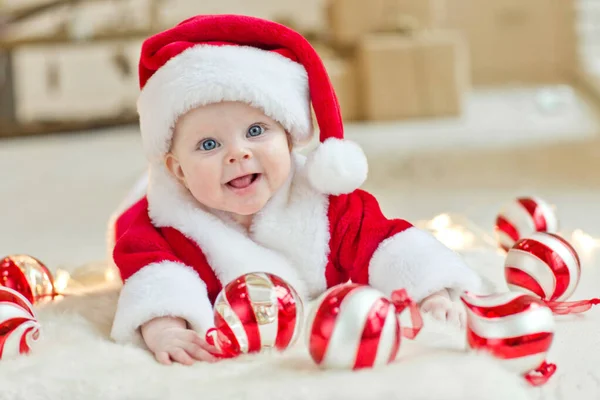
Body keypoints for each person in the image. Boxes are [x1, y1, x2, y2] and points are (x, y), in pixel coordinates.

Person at [107, 14, 483, 366]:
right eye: (209, 145)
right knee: (128, 228)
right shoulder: (166, 221)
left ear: (289, 139)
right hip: (146, 198)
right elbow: (152, 271)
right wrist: (166, 328)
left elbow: (384, 243)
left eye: (256, 131)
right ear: (179, 171)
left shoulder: (325, 203)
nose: (239, 153)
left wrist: (430, 290)